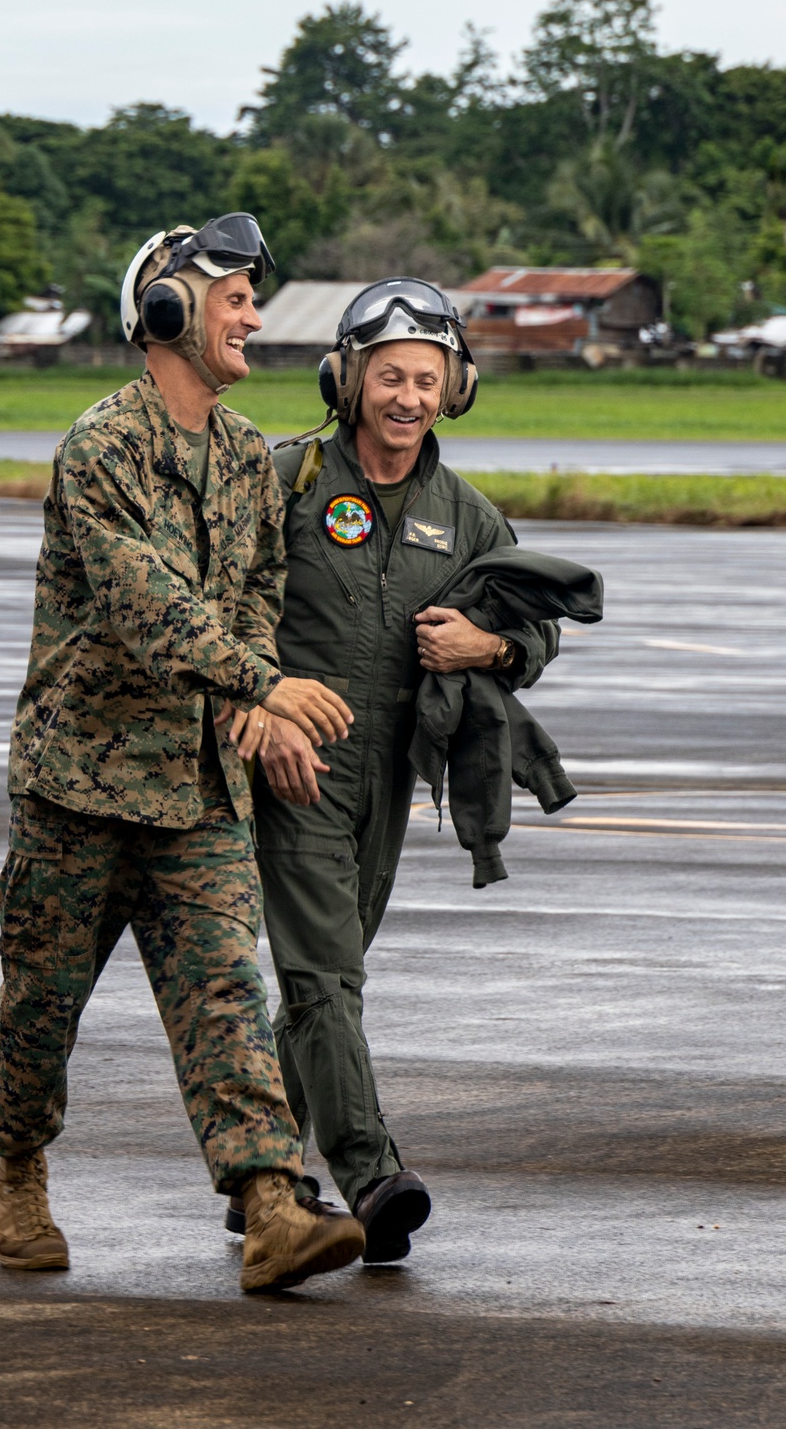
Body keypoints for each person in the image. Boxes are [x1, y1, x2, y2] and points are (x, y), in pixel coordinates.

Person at [0, 213, 365, 1293]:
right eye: (232, 295)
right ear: (165, 313)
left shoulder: (248, 458)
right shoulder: (100, 446)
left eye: (250, 296)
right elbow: (145, 603)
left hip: (197, 790)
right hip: (80, 786)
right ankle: (17, 1169)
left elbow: (251, 597)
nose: (252, 313)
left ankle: (272, 1205)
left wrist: (248, 700)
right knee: (38, 1009)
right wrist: (260, 684)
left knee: (226, 998)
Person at [227, 279, 563, 1263]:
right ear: (346, 380)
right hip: (293, 769)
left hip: (392, 776)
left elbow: (535, 626)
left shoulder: (468, 520)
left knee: (328, 983)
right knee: (324, 977)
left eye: (426, 378)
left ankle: (264, 1181)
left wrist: (486, 650)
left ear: (453, 388)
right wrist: (257, 701)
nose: (407, 396)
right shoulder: (282, 481)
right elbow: (218, 605)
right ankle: (372, 1175)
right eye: (388, 376)